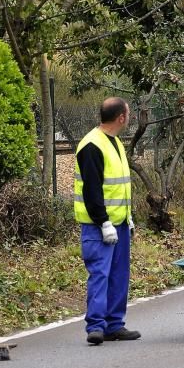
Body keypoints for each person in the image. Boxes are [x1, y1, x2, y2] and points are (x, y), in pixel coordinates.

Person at [74, 97, 140, 346]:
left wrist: (127, 217)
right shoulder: (92, 145)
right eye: (129, 114)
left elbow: (118, 187)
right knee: (100, 274)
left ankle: (114, 324)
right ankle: (96, 327)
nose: (130, 117)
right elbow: (92, 190)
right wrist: (103, 222)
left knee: (119, 274)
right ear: (121, 117)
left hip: (119, 223)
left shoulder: (115, 143)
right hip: (98, 225)